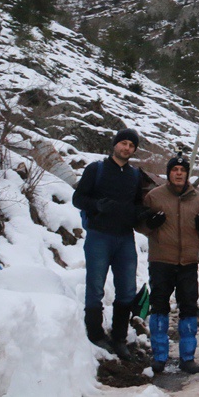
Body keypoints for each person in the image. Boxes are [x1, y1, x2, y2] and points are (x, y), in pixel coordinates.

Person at [72, 128, 147, 361]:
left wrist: (141, 215)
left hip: (125, 238)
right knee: (95, 286)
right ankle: (95, 335)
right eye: (123, 143)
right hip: (99, 236)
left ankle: (119, 338)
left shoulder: (135, 176)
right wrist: (98, 205)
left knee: (126, 289)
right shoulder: (97, 169)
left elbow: (139, 205)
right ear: (115, 144)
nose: (126, 148)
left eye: (131, 145)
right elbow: (78, 199)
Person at [139, 152, 199, 375]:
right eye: (175, 170)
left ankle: (187, 357)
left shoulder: (198, 198)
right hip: (161, 260)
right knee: (159, 307)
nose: (178, 174)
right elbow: (141, 225)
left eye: (182, 171)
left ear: (187, 174)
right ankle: (159, 356)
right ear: (169, 173)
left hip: (188, 261)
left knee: (188, 307)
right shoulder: (154, 196)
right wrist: (151, 224)